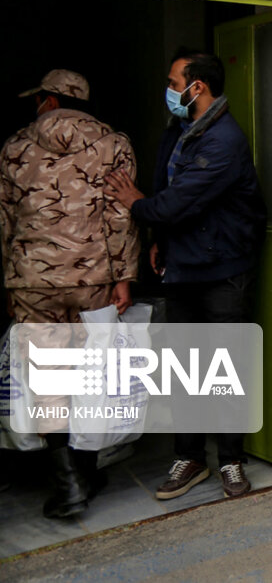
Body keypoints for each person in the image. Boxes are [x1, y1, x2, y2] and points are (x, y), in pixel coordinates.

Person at [105, 51, 265, 501]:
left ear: (198, 87)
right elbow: (170, 191)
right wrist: (160, 238)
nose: (170, 88)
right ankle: (190, 458)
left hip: (223, 270)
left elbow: (173, 202)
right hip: (183, 265)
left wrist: (138, 204)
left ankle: (231, 462)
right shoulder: (180, 131)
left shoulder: (223, 141)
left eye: (175, 81)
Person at [0, 69, 138, 518]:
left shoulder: (14, 147)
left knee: (49, 381)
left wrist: (10, 279)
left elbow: (4, 222)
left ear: (50, 99)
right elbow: (121, 216)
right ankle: (88, 470)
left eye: (39, 97)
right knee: (91, 378)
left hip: (33, 282)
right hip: (93, 279)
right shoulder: (114, 143)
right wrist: (125, 276)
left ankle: (69, 487)